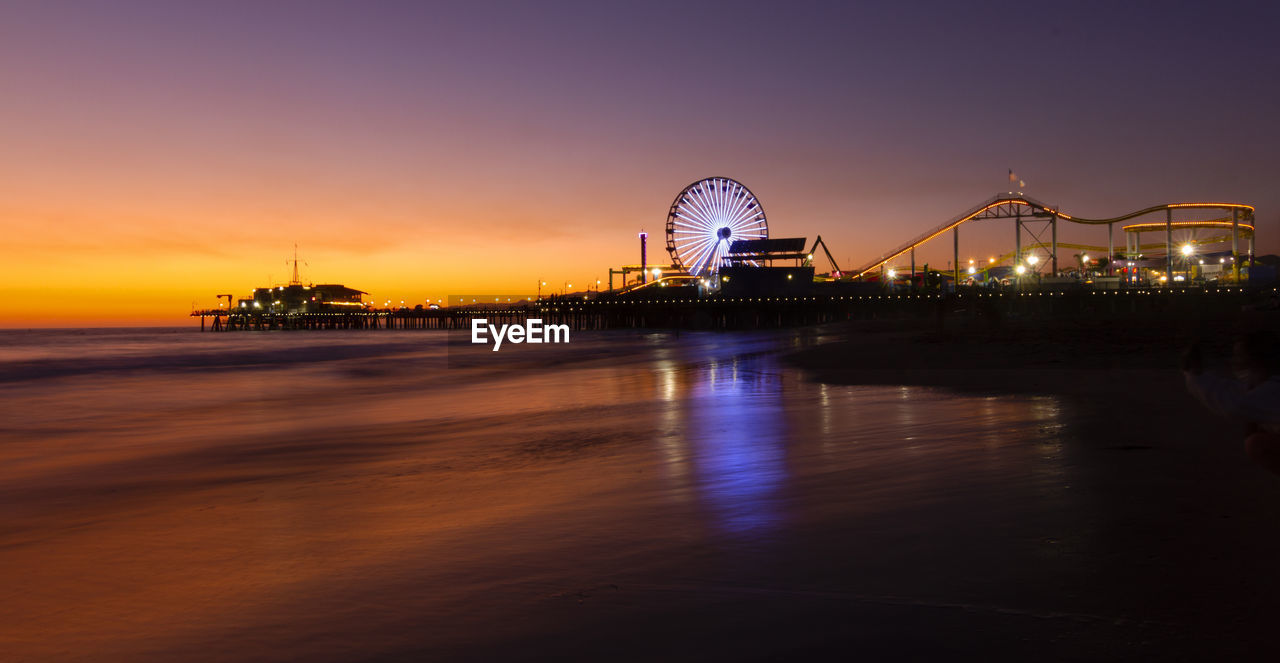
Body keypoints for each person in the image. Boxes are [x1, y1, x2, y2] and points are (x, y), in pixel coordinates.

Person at [1183, 330, 1280, 476]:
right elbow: (1236, 391)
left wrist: (1193, 375)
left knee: (1256, 443)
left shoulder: (1274, 388)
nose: (1234, 362)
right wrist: (1197, 373)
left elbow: (1234, 405)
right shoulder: (1266, 384)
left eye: (1241, 357)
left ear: (1258, 361)